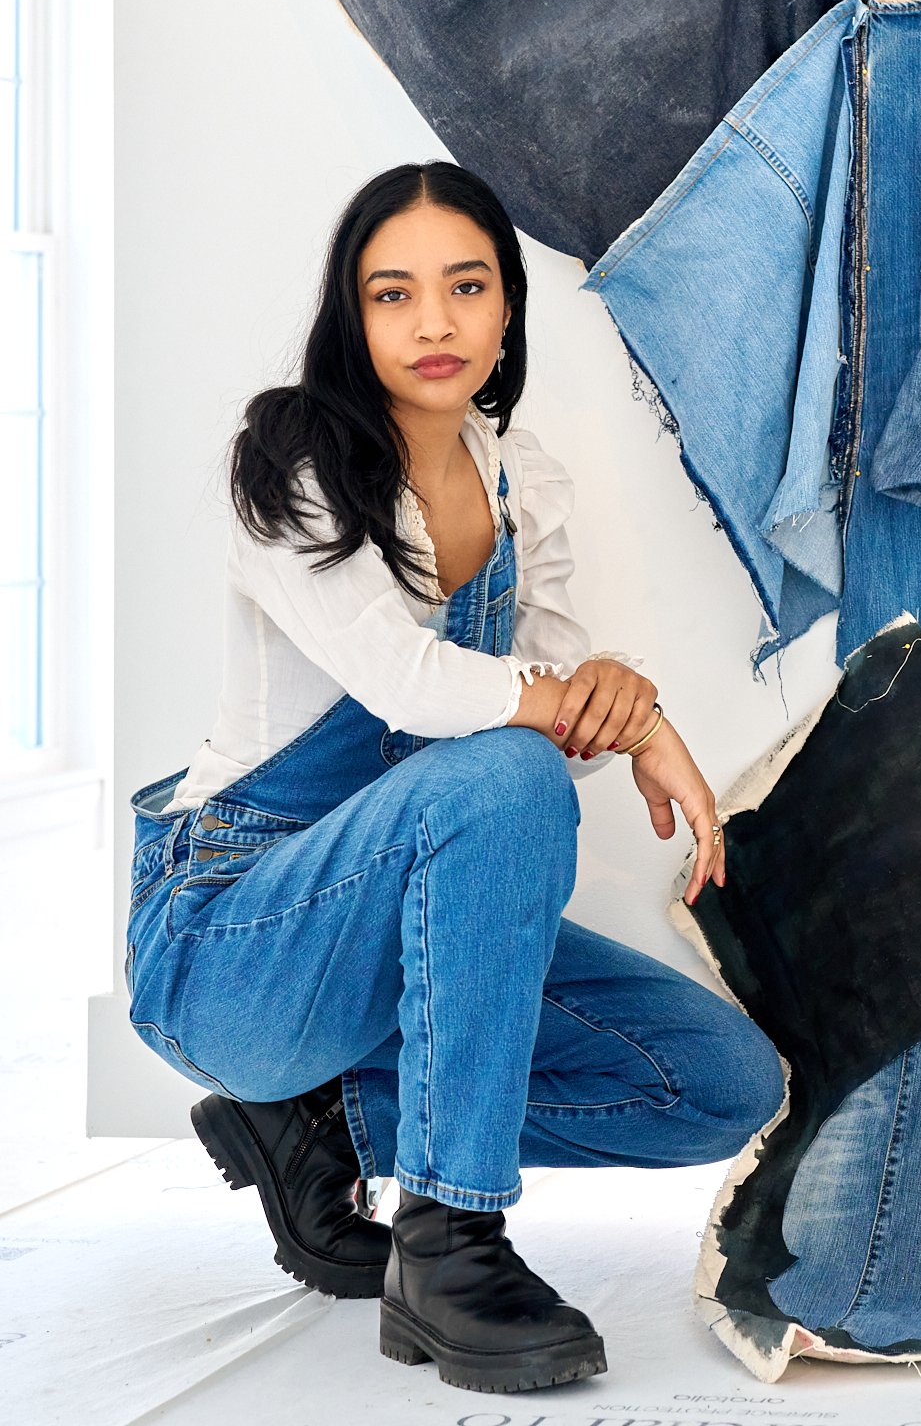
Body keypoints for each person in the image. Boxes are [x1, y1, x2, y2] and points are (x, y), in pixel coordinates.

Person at [123, 161, 784, 1397]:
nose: (434, 322)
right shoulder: (293, 460)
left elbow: (550, 685)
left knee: (717, 1082)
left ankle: (323, 1121)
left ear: (506, 310)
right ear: (352, 315)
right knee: (508, 774)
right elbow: (416, 685)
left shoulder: (521, 476)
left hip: (393, 927)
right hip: (230, 938)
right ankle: (449, 1241)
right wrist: (635, 724)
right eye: (394, 293)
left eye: (466, 286)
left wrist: (620, 700)